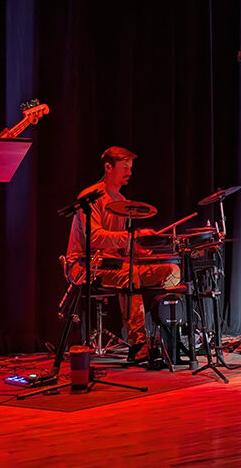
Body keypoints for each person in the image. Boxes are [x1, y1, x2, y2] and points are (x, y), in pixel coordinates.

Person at [65, 146, 181, 360]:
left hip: (114, 264)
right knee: (130, 275)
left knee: (171, 271)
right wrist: (131, 237)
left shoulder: (121, 200)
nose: (130, 173)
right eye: (125, 168)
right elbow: (95, 237)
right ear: (108, 167)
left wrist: (142, 246)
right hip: (86, 265)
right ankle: (138, 344)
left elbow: (121, 244)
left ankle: (165, 334)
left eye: (130, 168)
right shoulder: (91, 197)